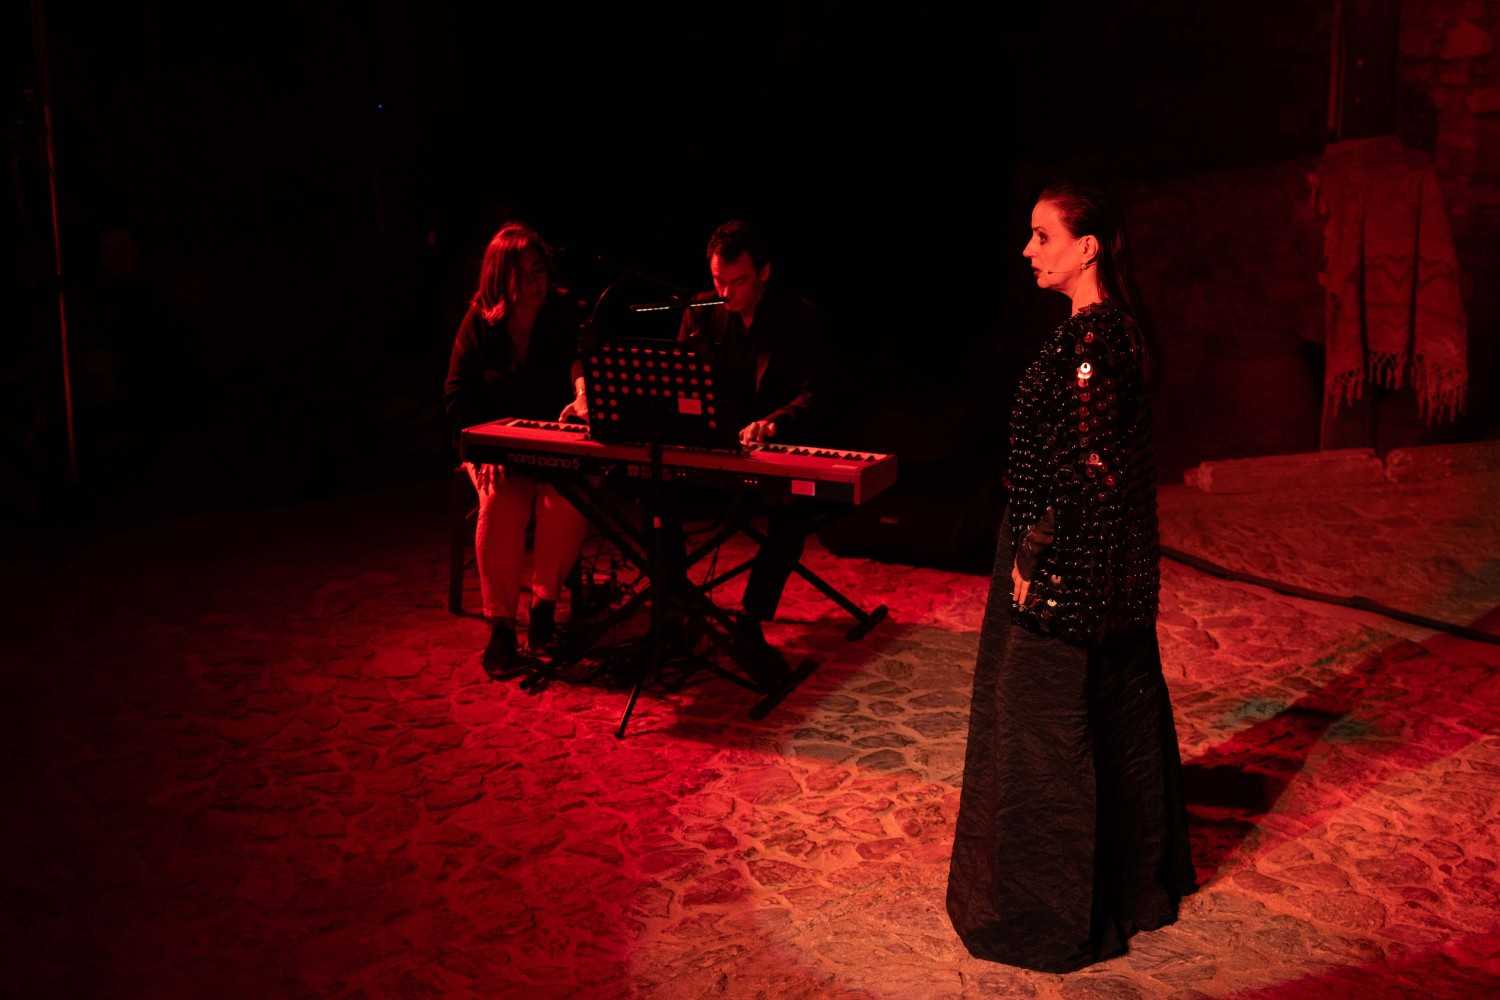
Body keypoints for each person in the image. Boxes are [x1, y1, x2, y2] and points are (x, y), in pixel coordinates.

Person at [946, 183, 1196, 971]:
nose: (1028, 250)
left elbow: (1091, 468)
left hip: (1067, 562)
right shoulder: (1106, 334)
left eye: (1042, 235)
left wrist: (1036, 555)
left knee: (1041, 727)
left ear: (1087, 248)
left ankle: (1046, 912)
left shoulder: (1094, 341)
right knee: (1111, 712)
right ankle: (1128, 885)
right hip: (1089, 559)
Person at [676, 220, 828, 662]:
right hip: (712, 452)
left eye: (737, 281)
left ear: (764, 272)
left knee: (796, 509)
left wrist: (774, 422)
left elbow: (817, 393)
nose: (725, 293)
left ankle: (750, 619)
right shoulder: (702, 311)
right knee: (653, 491)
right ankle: (679, 606)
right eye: (717, 280)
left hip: (775, 453)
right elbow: (681, 382)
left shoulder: (798, 317)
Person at [444, 222, 590, 679]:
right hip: (494, 448)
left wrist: (582, 394)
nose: (535, 283)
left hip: (552, 443)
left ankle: (544, 605)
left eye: (539, 271)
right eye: (523, 275)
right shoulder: (478, 323)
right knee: (501, 502)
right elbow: (455, 397)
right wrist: (481, 449)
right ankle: (502, 626)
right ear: (500, 278)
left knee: (566, 498)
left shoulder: (561, 313)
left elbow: (580, 364)